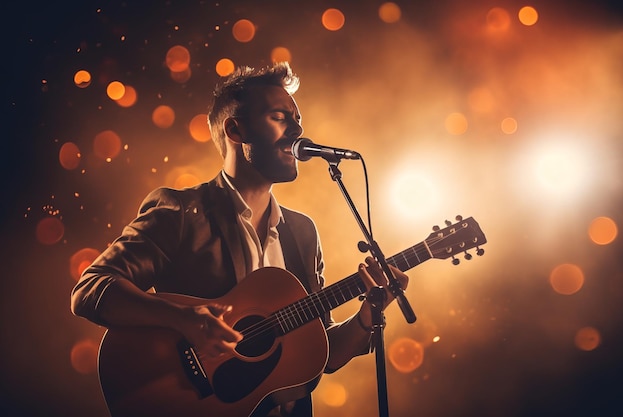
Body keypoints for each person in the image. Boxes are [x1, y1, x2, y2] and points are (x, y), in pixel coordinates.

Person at [71, 61, 409, 417]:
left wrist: (367, 315)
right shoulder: (181, 212)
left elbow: (323, 354)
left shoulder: (303, 233)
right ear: (236, 130)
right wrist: (185, 319)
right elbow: (91, 289)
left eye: (298, 119)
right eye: (281, 117)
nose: (298, 129)